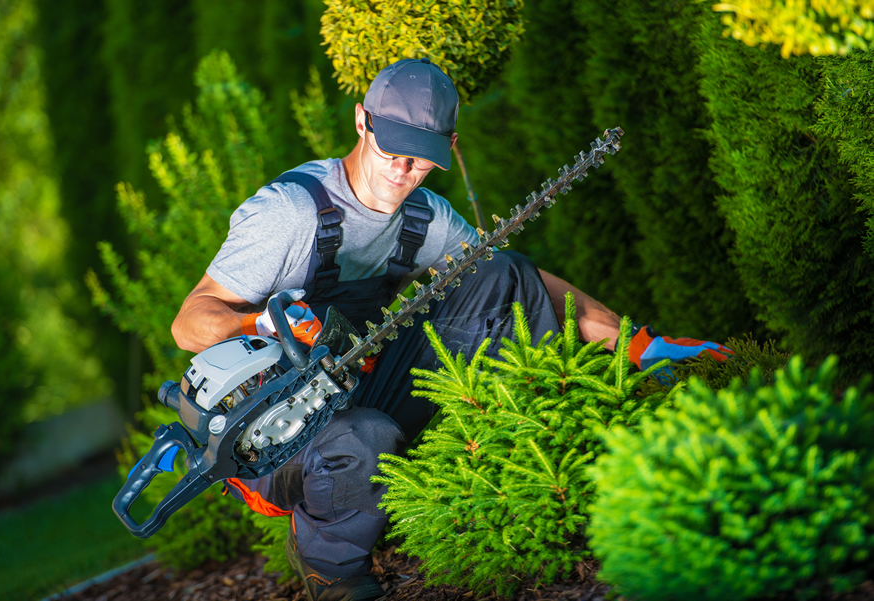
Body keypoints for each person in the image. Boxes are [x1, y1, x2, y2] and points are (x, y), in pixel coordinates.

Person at [171, 58, 728, 601]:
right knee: (361, 439)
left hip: (355, 387)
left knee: (497, 269)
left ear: (449, 147)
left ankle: (542, 437)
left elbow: (522, 284)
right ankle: (328, 568)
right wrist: (261, 320)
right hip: (267, 434)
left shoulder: (425, 218)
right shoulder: (290, 213)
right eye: (391, 149)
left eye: (421, 159)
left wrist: (636, 341)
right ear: (362, 121)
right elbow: (189, 321)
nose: (402, 170)